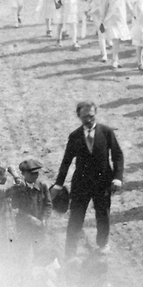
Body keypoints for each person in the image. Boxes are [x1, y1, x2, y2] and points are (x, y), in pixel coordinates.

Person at [53, 100, 125, 257]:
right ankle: (70, 251)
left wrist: (117, 177)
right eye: (85, 116)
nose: (89, 119)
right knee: (76, 218)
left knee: (103, 215)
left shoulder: (106, 132)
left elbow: (117, 155)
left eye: (91, 116)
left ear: (95, 114)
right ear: (79, 116)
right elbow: (66, 161)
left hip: (103, 182)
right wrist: (58, 184)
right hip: (81, 184)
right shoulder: (74, 136)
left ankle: (102, 244)